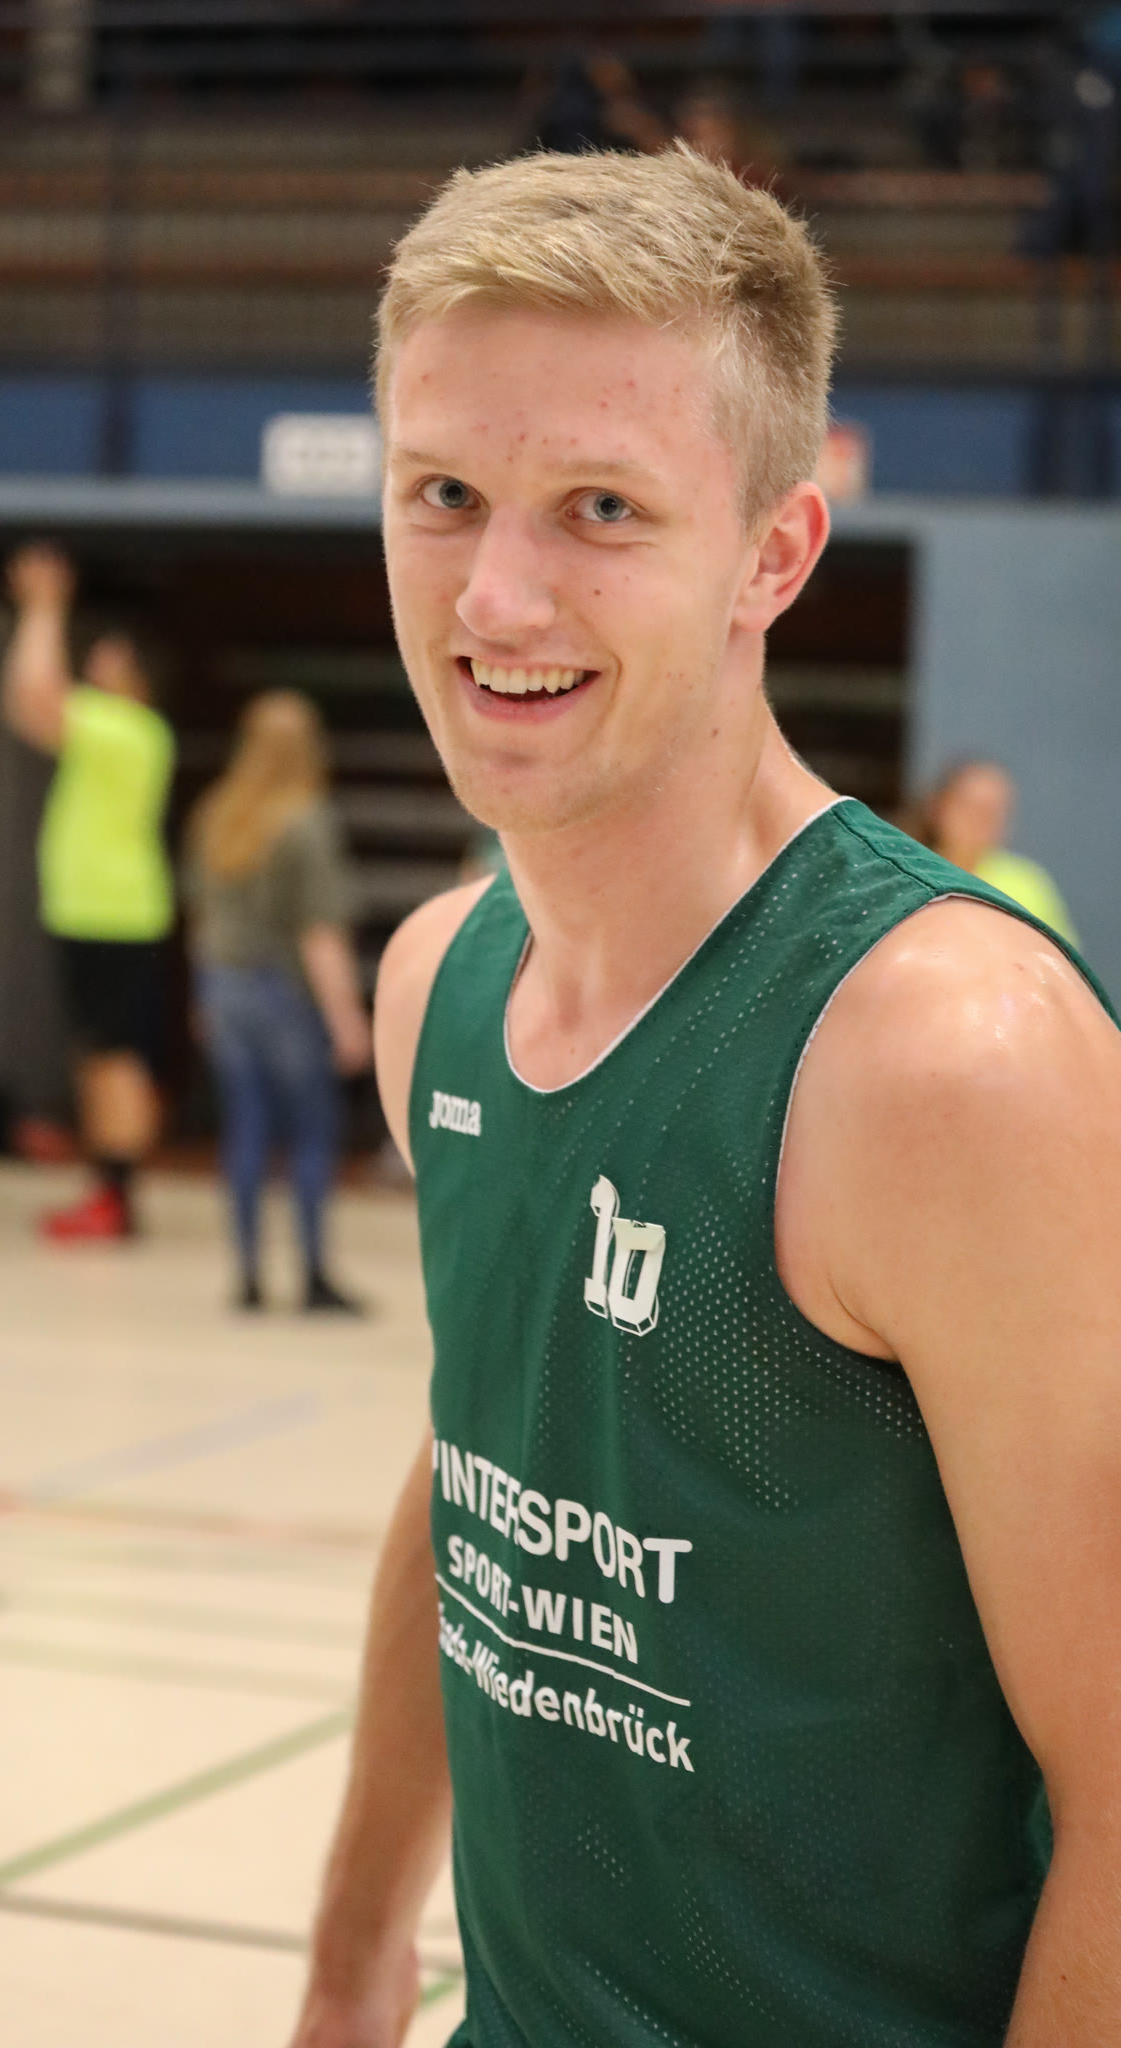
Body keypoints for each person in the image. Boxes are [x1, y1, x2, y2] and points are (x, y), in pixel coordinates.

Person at [290, 146, 1121, 2048]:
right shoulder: (437, 982)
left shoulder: (942, 1061)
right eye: (442, 494)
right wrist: (350, 1962)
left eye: (601, 506)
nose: (499, 593)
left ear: (773, 554)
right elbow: (483, 1482)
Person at [1, 543, 175, 1242]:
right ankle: (109, 1188)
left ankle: (118, 1195)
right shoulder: (122, 731)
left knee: (114, 1057)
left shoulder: (126, 729)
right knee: (101, 1056)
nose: (94, 666)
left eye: (109, 660)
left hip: (111, 913)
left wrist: (45, 609)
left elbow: (32, 699)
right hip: (100, 912)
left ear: (137, 680)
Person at [186, 691, 371, 1313]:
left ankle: (247, 1274)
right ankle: (313, 1272)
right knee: (312, 1130)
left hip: (224, 984)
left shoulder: (217, 813)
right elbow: (319, 932)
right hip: (282, 993)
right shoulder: (306, 822)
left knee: (246, 1128)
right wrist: (346, 1018)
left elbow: (201, 916)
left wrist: (204, 994)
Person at [921, 757, 1079, 941]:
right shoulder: (912, 872)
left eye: (994, 812)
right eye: (971, 807)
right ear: (938, 807)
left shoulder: (1029, 883)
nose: (981, 821)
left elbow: (1058, 952)